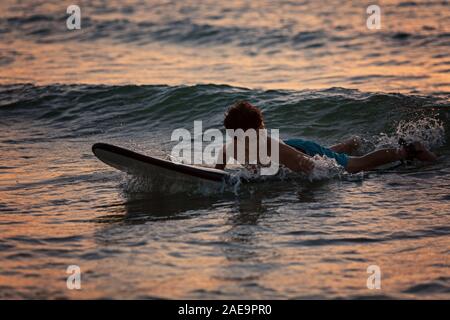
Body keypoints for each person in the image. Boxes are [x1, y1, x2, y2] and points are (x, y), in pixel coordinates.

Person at [214, 101, 437, 174]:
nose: (236, 139)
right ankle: (350, 143)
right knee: (329, 150)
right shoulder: (229, 147)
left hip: (300, 151)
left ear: (258, 130)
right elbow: (216, 172)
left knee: (355, 165)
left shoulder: (275, 149)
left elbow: (316, 169)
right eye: (233, 135)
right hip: (293, 150)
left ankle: (407, 150)